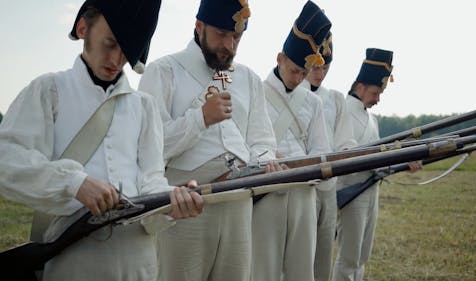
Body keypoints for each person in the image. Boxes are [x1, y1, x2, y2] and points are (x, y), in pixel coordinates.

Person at [0, 0, 203, 280]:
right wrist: (74, 183)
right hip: (73, 259)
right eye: (110, 43)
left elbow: (151, 181)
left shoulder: (145, 106)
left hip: (137, 263)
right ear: (83, 26)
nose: (116, 60)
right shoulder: (48, 90)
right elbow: (6, 160)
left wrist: (172, 202)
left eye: (127, 52)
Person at [138, 0, 277, 280]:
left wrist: (265, 164)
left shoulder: (248, 78)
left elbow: (263, 141)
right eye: (222, 34)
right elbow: (148, 149)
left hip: (239, 196)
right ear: (199, 27)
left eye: (236, 36)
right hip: (185, 201)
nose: (230, 45)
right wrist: (200, 119)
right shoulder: (163, 71)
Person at [251, 1, 332, 281]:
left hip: (303, 190)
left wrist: (301, 165)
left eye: (304, 71)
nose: (299, 78)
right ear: (280, 58)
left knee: (301, 272)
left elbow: (323, 151)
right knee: (264, 272)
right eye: (295, 69)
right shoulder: (255, 92)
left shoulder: (313, 102)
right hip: (265, 193)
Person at [332, 48, 421, 281]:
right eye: (375, 92)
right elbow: (351, 154)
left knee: (362, 255)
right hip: (350, 190)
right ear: (359, 87)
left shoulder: (371, 118)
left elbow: (378, 158)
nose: (378, 98)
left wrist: (403, 159)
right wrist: (398, 155)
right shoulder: (341, 109)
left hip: (371, 189)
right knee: (349, 256)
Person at [300, 31, 356, 281]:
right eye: (315, 67)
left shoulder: (335, 99)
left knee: (323, 256)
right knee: (297, 258)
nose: (320, 75)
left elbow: (346, 141)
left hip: (329, 186)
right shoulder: (291, 95)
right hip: (300, 187)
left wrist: (345, 152)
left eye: (326, 68)